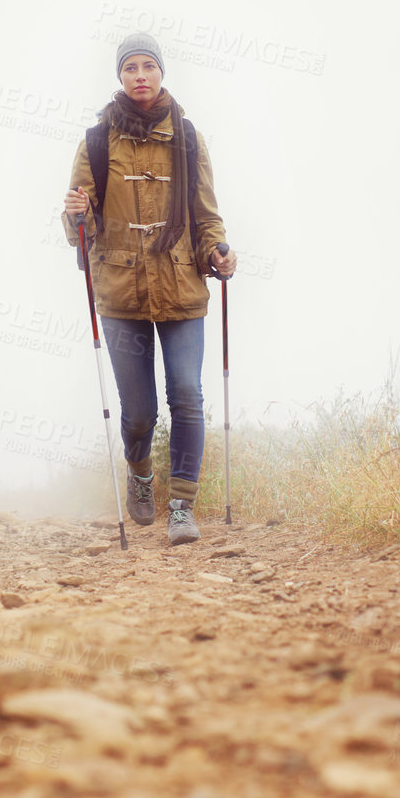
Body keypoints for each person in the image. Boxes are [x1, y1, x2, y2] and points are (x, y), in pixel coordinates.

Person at [62, 31, 235, 546]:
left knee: (187, 394)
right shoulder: (96, 141)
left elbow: (206, 213)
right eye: (130, 67)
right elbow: (78, 224)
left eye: (148, 66)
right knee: (138, 412)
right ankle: (139, 473)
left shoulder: (188, 137)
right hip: (120, 293)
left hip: (180, 284)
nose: (140, 75)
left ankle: (181, 507)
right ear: (120, 76)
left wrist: (219, 251)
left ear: (161, 72)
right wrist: (76, 218)